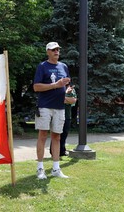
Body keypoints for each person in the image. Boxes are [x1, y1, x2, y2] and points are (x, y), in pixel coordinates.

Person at [33, 42, 71, 179]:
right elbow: (36, 87)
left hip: (60, 107)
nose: (57, 51)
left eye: (58, 49)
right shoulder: (42, 66)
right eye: (53, 50)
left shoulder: (64, 67)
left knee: (57, 136)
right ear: (47, 52)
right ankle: (40, 169)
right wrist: (55, 85)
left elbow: (67, 86)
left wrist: (70, 94)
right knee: (42, 136)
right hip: (44, 106)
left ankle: (56, 168)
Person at [50, 84, 77, 156]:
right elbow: (55, 99)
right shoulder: (56, 87)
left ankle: (62, 151)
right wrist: (66, 98)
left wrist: (64, 98)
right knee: (56, 134)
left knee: (64, 134)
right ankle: (53, 152)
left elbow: (73, 100)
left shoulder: (71, 89)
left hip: (67, 116)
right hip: (57, 115)